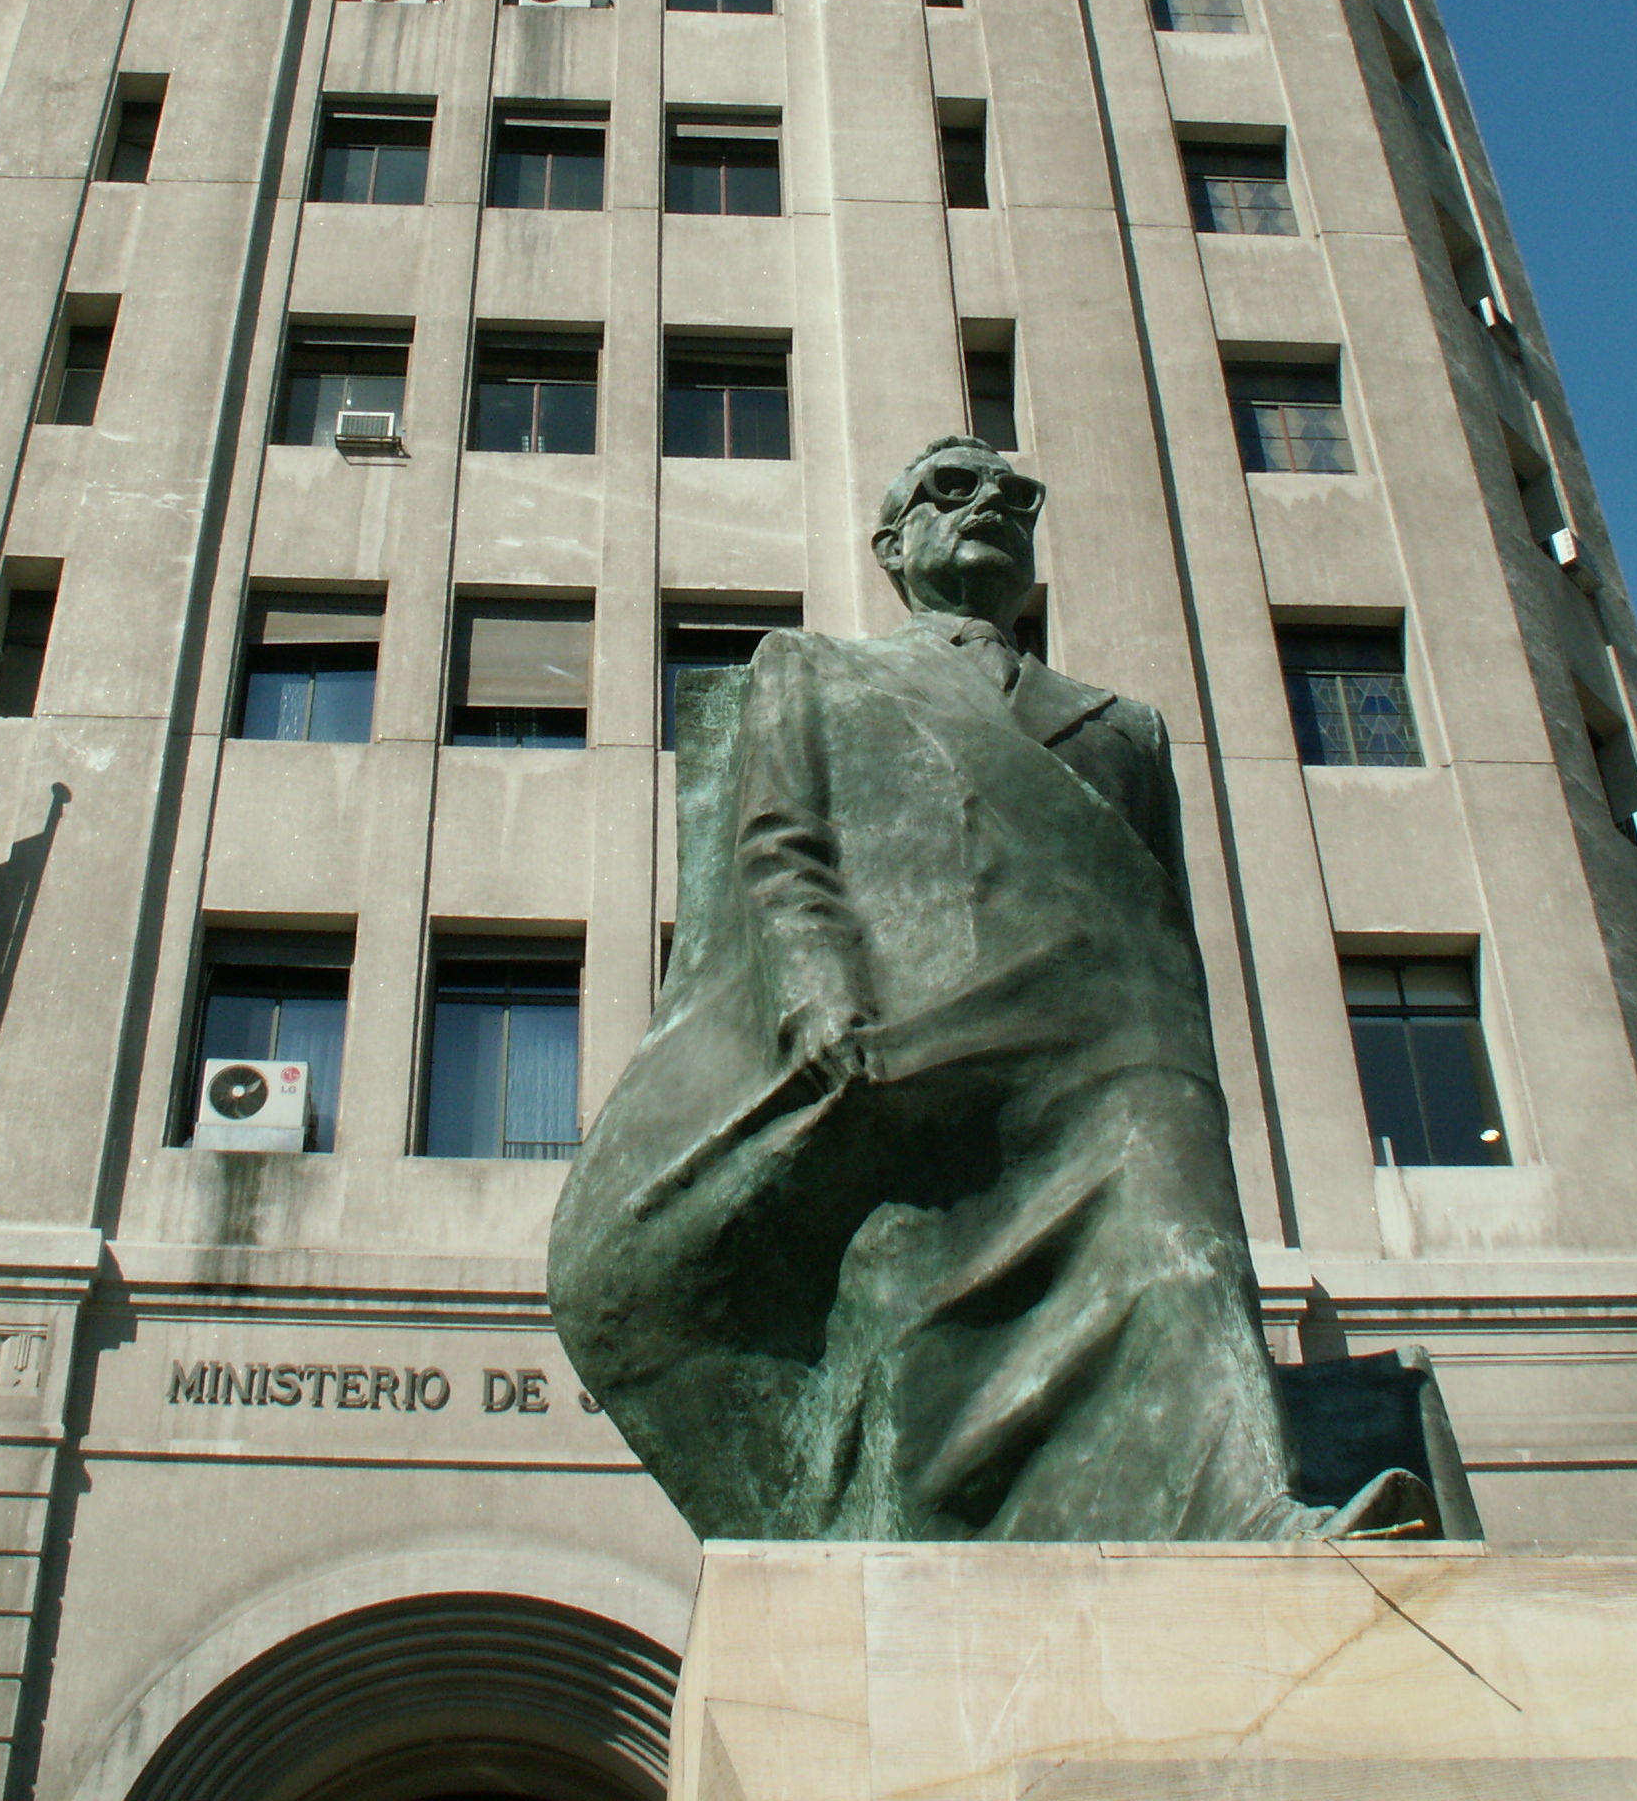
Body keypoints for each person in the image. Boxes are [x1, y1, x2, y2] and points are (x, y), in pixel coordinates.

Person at [549, 438, 1430, 1541]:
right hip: (914, 1032)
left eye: (1015, 494)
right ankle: (922, 1514)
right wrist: (818, 995)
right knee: (904, 1306)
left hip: (1107, 1042)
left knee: (1179, 1240)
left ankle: (1244, 1512)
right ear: (892, 542)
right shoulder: (815, 668)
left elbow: (1158, 922)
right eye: (951, 489)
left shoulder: (1125, 724)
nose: (991, 507)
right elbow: (780, 845)